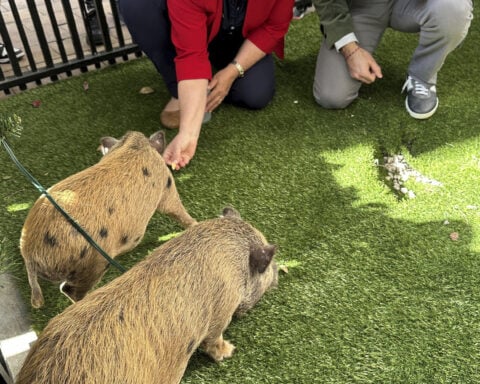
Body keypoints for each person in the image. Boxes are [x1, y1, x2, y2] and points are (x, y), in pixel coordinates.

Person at [119, 0, 293, 170]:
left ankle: (204, 84)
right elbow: (192, 56)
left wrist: (233, 71)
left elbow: (274, 27)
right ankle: (181, 88)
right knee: (136, 4)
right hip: (197, 32)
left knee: (255, 95)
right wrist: (188, 135)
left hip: (243, 39)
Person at [311, 0, 473, 119]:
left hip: (409, 3)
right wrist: (350, 50)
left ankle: (421, 77)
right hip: (360, 6)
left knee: (453, 9)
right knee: (331, 96)